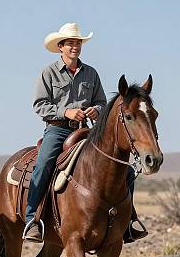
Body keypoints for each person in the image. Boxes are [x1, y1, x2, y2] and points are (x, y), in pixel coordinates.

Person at [22, 22, 148, 243]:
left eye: (78, 43)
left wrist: (96, 110)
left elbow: (101, 102)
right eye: (70, 43)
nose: (75, 47)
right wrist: (66, 112)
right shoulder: (48, 73)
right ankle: (33, 220)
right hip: (57, 130)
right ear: (60, 46)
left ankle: (128, 222)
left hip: (87, 131)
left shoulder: (91, 73)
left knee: (125, 171)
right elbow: (39, 105)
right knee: (43, 165)